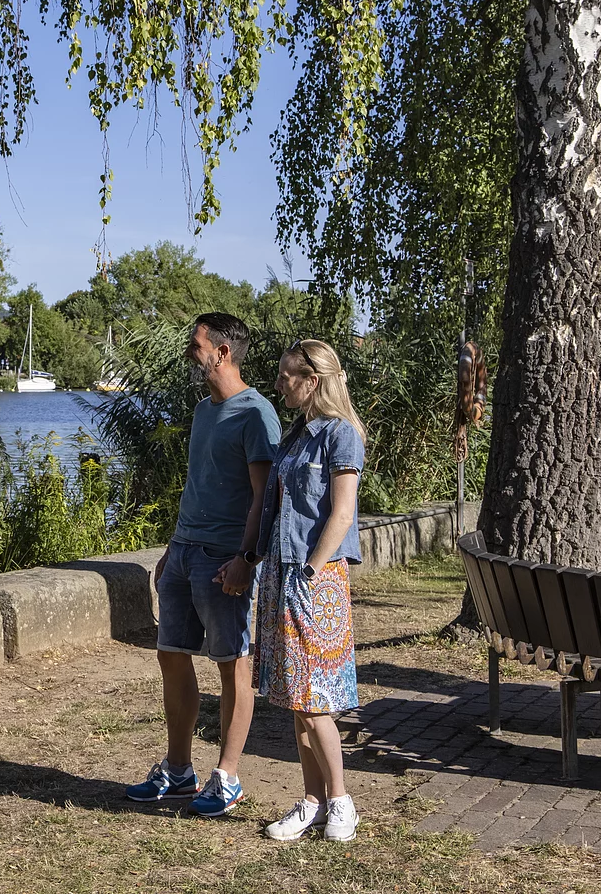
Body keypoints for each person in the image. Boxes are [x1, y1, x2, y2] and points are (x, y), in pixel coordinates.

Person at [125, 313, 280, 817]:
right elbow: (197, 485)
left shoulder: (256, 414)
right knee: (171, 654)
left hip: (224, 560)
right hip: (185, 552)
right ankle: (178, 768)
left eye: (196, 344)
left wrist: (247, 559)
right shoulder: (202, 411)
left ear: (222, 351)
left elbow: (264, 497)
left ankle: (227, 775)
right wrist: (175, 544)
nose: (191, 352)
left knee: (233, 666)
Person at [255, 340, 366, 843]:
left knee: (317, 696)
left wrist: (313, 570)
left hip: (314, 577)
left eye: (286, 375)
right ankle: (313, 801)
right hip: (284, 571)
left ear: (312, 379)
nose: (279, 383)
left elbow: (342, 512)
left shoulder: (341, 435)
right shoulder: (296, 434)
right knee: (298, 697)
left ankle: (341, 800)